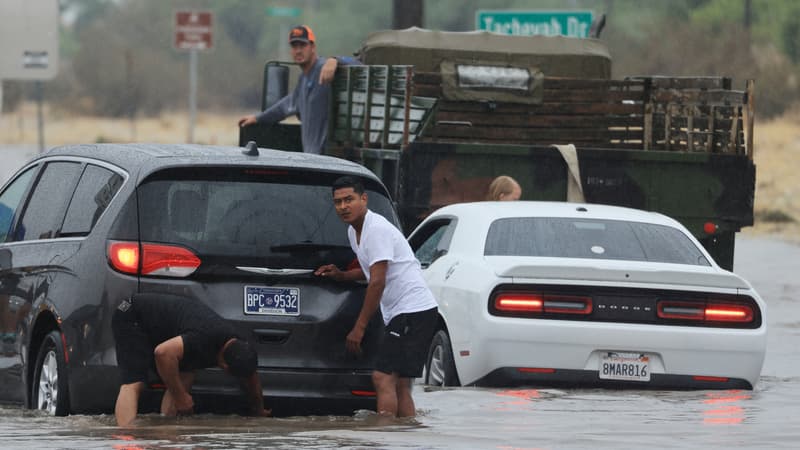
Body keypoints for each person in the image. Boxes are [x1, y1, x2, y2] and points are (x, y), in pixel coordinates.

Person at [314, 176, 438, 418]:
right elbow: (371, 269)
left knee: (382, 377)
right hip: (409, 313)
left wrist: (359, 328)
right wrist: (342, 275)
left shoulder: (376, 229)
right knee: (400, 384)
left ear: (364, 199)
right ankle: (404, 437)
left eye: (348, 200)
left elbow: (378, 281)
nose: (343, 207)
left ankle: (384, 436)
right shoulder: (354, 232)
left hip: (412, 311)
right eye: (337, 202)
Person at [112, 293, 269, 426]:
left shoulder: (241, 346)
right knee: (134, 383)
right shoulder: (204, 337)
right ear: (223, 365)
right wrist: (181, 397)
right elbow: (162, 353)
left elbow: (251, 378)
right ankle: (126, 438)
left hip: (167, 329)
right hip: (132, 315)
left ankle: (167, 434)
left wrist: (259, 410)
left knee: (186, 376)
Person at [237, 25, 358, 154]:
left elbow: (359, 65)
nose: (298, 51)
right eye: (295, 46)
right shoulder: (304, 80)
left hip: (328, 159)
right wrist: (258, 118)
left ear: (313, 47)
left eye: (303, 45)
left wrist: (336, 60)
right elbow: (284, 107)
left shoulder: (324, 68)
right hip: (311, 158)